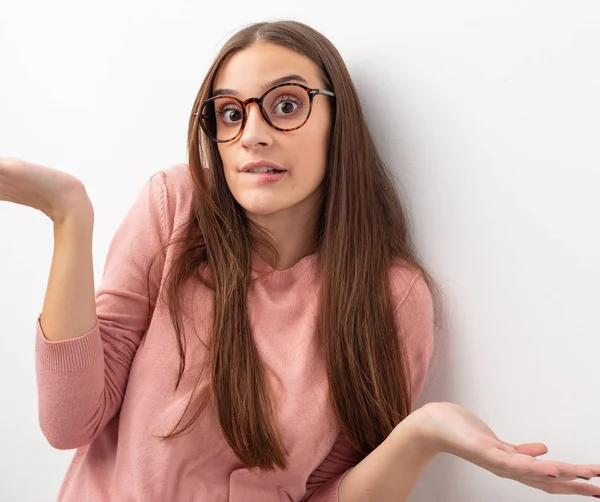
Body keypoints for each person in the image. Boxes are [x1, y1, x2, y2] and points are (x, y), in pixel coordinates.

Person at [1, 19, 599, 502]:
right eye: (231, 114)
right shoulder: (174, 209)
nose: (253, 135)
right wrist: (68, 215)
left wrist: (425, 431)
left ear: (338, 122)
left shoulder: (392, 295)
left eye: (286, 106)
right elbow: (69, 422)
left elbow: (329, 493)